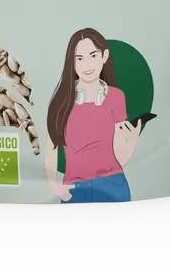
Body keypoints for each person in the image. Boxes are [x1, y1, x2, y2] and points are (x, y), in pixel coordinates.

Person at [45, 28, 141, 204]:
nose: (87, 65)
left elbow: (119, 156)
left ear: (104, 56)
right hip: (73, 189)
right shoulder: (61, 101)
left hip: (112, 185)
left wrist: (132, 142)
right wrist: (54, 185)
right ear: (71, 63)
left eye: (93, 56)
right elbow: (51, 148)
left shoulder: (116, 97)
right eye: (79, 59)